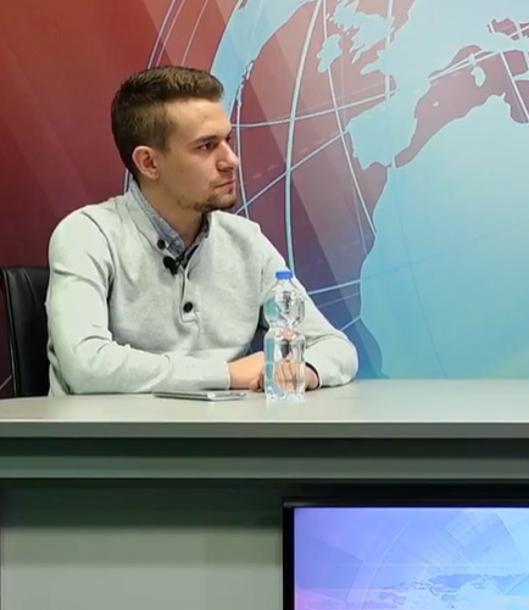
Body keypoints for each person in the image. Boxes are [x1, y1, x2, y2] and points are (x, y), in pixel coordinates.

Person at [46, 66, 357, 395]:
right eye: (206, 146)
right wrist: (227, 374)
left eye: (228, 140)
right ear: (149, 163)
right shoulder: (87, 235)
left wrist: (302, 371)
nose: (231, 160)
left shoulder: (246, 241)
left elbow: (335, 347)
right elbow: (86, 366)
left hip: (225, 428)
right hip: (114, 430)